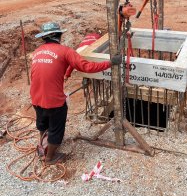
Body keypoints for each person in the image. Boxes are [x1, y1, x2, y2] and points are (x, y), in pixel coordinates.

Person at [30, 22, 121, 164]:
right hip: (54, 101)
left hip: (35, 98)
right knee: (56, 128)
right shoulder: (65, 51)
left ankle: (43, 145)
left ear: (44, 38)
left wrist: (66, 74)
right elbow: (87, 66)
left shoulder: (37, 52)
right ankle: (49, 158)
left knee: (43, 123)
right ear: (59, 35)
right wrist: (110, 63)